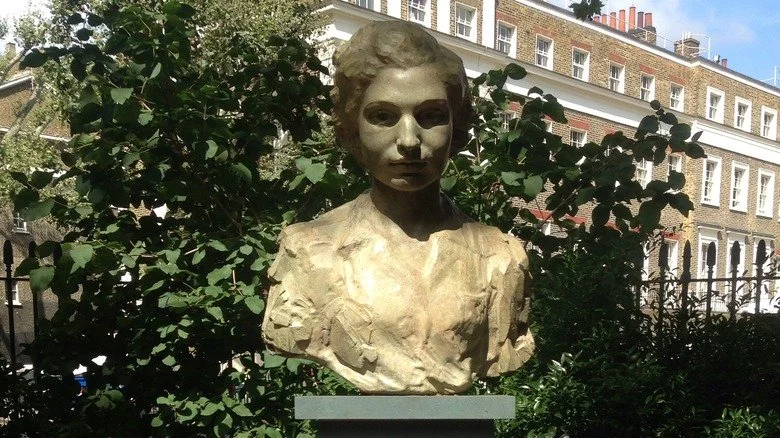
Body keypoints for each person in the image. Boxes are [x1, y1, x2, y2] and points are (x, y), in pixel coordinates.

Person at [261, 21, 533, 394]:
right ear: (352, 128)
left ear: (456, 126)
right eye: (383, 117)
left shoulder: (501, 259)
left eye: (431, 116)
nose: (408, 140)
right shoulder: (307, 251)